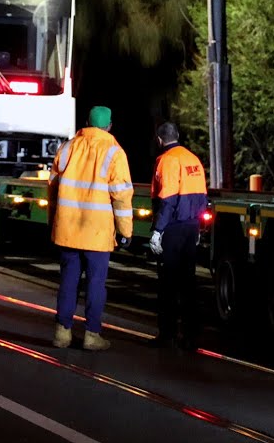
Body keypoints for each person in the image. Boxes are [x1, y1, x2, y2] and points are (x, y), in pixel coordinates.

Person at [48, 105, 135, 350]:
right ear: (109, 126)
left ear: (86, 122)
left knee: (68, 281)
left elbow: (53, 188)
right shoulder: (115, 153)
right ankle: (91, 335)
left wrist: (52, 221)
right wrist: (126, 231)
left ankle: (62, 333)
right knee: (96, 284)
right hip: (97, 234)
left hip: (67, 230)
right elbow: (121, 196)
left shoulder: (67, 148)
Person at [149, 121, 208, 351]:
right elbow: (202, 196)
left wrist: (157, 231)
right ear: (178, 136)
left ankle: (168, 334)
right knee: (189, 282)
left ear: (159, 140)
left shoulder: (167, 160)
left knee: (168, 284)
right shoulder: (193, 159)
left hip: (172, 228)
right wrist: (199, 228)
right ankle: (191, 335)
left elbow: (168, 199)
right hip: (191, 226)